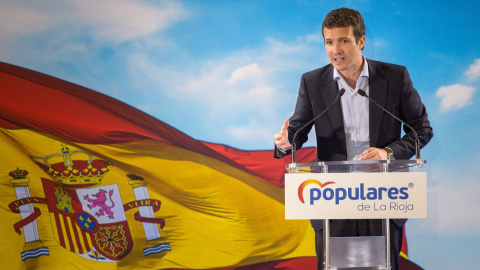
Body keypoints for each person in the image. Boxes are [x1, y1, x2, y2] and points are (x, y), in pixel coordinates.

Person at [273, 7, 433, 270]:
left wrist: (388, 153)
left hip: (381, 196)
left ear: (361, 41)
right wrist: (286, 141)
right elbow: (299, 129)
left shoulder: (394, 77)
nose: (336, 49)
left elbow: (421, 130)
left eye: (344, 40)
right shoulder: (313, 82)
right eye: (329, 41)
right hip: (332, 199)